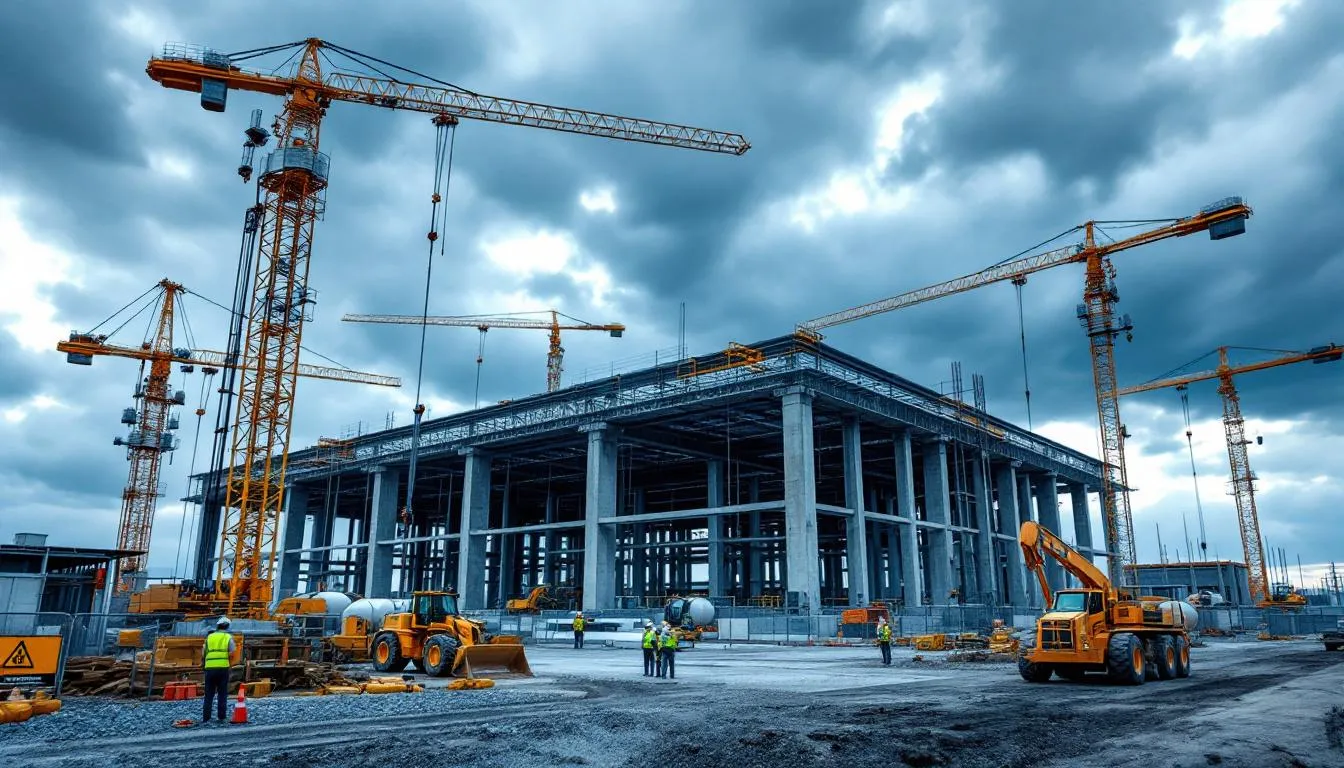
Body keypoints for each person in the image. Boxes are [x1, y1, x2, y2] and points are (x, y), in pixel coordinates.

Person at [201, 617, 236, 724]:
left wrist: (204, 665)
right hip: (222, 668)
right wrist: (229, 664)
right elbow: (232, 652)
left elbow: (203, 653)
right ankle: (221, 717)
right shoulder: (228, 637)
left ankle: (206, 718)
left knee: (208, 694)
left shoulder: (209, 637)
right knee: (222, 694)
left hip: (210, 668)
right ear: (227, 626)